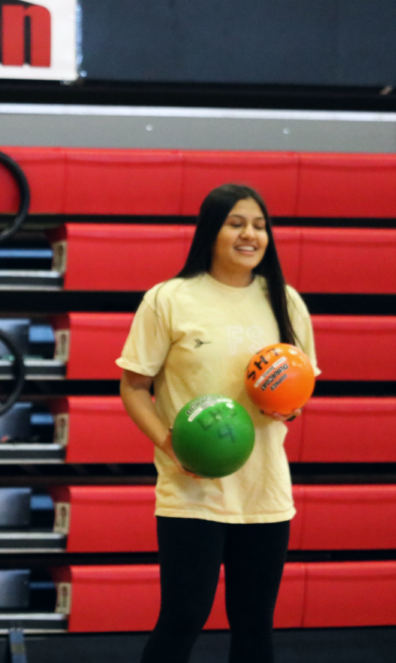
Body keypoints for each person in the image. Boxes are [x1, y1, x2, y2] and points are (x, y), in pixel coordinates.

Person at [117, 184, 319, 663]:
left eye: (258, 225)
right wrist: (170, 445)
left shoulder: (286, 302)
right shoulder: (169, 299)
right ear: (211, 231)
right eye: (236, 223)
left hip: (264, 491)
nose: (250, 234)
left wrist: (288, 408)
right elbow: (132, 387)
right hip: (193, 489)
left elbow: (299, 390)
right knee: (183, 618)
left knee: (254, 626)